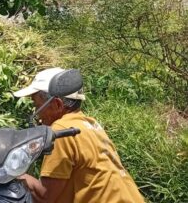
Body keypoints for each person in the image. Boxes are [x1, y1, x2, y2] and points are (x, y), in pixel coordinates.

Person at [14, 68, 144, 203]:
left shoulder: (61, 130)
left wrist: (13, 174)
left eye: (37, 106)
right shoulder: (90, 125)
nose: (37, 114)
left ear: (57, 104)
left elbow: (45, 197)